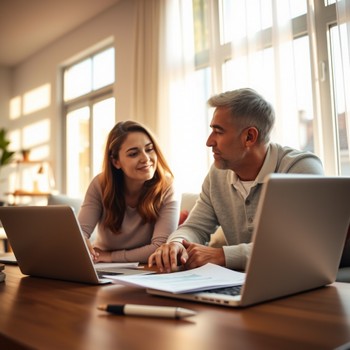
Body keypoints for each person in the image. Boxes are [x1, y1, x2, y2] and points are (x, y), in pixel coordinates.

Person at [148, 88, 324, 273]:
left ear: (249, 137)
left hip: (305, 277)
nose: (209, 141)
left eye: (218, 132)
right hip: (247, 279)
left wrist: (222, 255)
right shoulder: (217, 175)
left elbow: (301, 247)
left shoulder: (301, 169)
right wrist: (176, 244)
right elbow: (194, 227)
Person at [78, 120, 180, 264]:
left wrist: (110, 257)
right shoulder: (100, 184)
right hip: (102, 266)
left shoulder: (166, 186)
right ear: (116, 162)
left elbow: (160, 248)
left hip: (146, 267)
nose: (146, 158)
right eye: (133, 154)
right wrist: (82, 241)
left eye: (149, 149)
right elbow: (79, 234)